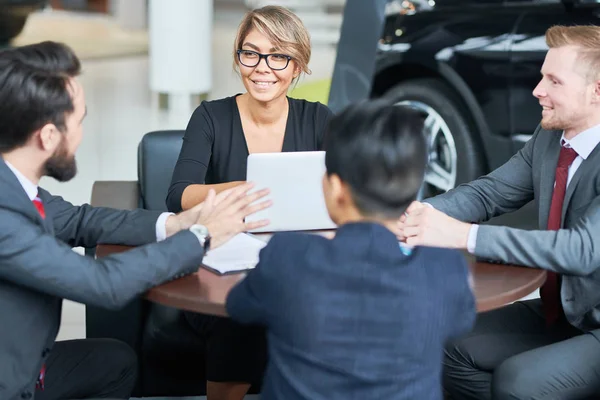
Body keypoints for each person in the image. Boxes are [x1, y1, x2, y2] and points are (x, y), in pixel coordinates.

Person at [0, 41, 271, 400]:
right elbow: (102, 284)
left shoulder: (14, 184)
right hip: (11, 383)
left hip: (32, 363)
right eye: (79, 122)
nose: (81, 135)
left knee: (115, 363)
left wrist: (175, 224)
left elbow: (81, 220)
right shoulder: (6, 223)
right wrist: (202, 236)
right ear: (48, 136)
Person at [398, 25, 600, 400]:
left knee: (517, 381)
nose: (537, 90)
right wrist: (417, 214)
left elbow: (582, 250)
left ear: (597, 91)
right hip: (564, 310)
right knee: (441, 345)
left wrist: (462, 236)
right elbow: (492, 192)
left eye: (554, 81)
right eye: (542, 76)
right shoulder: (551, 136)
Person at [226, 100, 476, 400]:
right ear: (414, 186)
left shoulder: (287, 256)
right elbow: (460, 318)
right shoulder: (445, 269)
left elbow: (238, 307)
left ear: (335, 188)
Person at [165, 6, 333, 399]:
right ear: (239, 57)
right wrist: (250, 187)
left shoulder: (319, 119)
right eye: (251, 53)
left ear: (297, 67)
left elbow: (346, 192)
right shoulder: (210, 116)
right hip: (222, 269)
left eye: (278, 56)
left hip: (299, 264)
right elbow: (178, 194)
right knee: (244, 311)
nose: (262, 67)